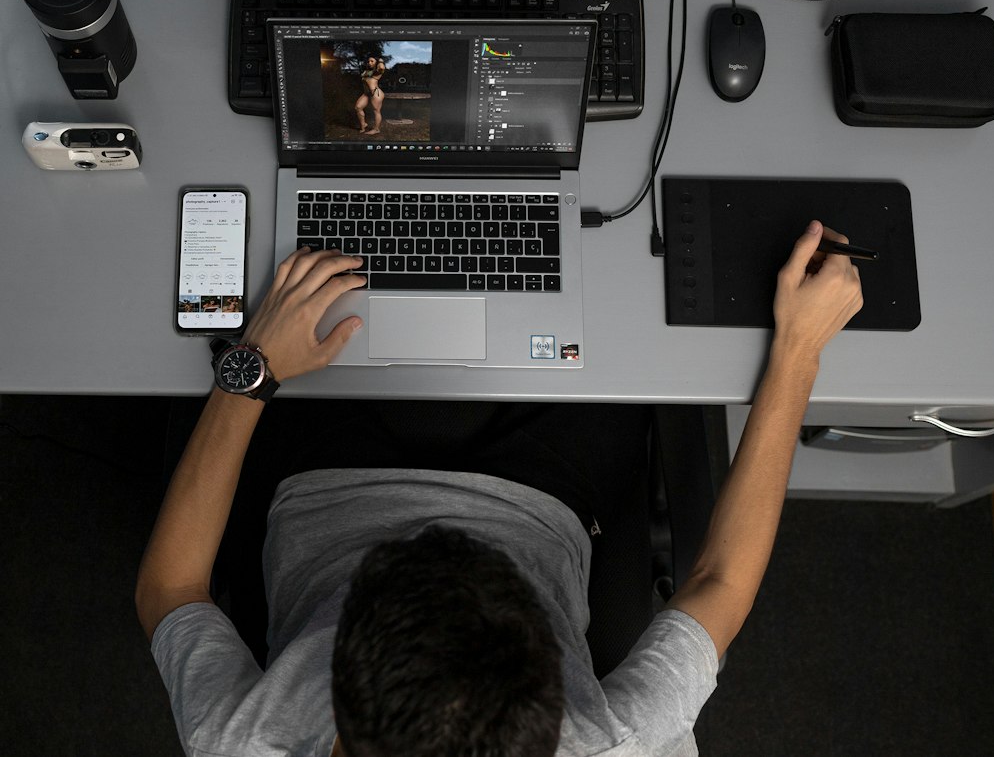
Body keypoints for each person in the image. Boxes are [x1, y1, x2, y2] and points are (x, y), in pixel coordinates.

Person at [136, 219, 862, 756]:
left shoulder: (245, 742)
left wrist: (253, 367)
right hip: (545, 486)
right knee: (617, 274)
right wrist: (799, 350)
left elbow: (170, 589)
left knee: (285, 252)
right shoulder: (614, 745)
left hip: (323, 471)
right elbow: (720, 582)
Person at [355, 55, 386, 135]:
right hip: (367, 93)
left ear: (376, 63)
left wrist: (380, 61)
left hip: (376, 93)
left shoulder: (377, 71)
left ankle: (376, 129)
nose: (369, 63)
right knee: (358, 107)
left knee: (376, 111)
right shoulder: (366, 71)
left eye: (372, 61)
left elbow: (382, 67)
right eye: (368, 61)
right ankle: (363, 124)